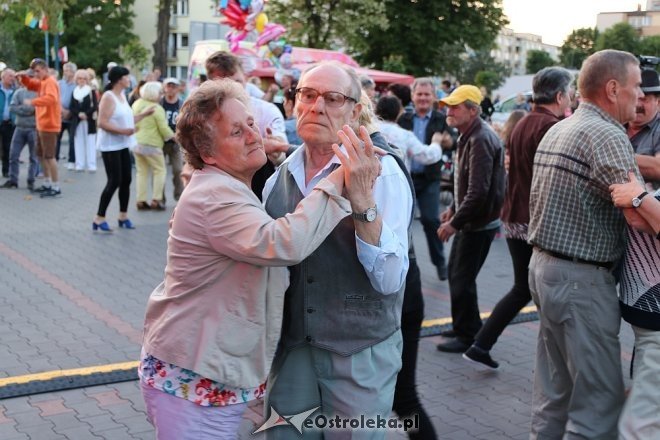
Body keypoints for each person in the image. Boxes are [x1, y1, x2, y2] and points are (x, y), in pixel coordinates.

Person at [139, 78, 380, 440]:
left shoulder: (227, 186)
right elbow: (283, 243)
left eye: (251, 123)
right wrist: (336, 181)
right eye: (236, 132)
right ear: (208, 153)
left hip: (204, 374)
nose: (254, 135)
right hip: (192, 378)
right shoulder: (215, 196)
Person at [263, 61, 413, 439]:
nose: (317, 107)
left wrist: (362, 202)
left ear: (354, 111)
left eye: (333, 98)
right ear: (294, 103)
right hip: (293, 346)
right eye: (308, 95)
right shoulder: (281, 174)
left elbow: (391, 278)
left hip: (359, 350)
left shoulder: (382, 171)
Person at [527, 49, 643, 439]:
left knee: (553, 397)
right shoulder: (608, 134)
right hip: (581, 283)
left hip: (545, 271)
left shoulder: (562, 126)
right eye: (637, 87)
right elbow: (638, 215)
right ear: (613, 89)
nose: (640, 97)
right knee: (596, 410)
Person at [463, 67, 573, 369]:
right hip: (535, 220)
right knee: (542, 291)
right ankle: (555, 359)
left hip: (514, 216)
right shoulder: (551, 126)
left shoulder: (524, 122)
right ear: (561, 95)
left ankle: (482, 344)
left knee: (525, 288)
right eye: (570, 92)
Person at [373, 94, 438, 439]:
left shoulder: (377, 158)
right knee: (400, 396)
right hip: (403, 288)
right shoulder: (393, 144)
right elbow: (429, 155)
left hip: (396, 293)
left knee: (399, 396)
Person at [435, 85, 505, 354]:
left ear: (473, 111)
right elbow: (466, 186)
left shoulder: (480, 139)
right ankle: (464, 325)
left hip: (478, 223)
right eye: (448, 106)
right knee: (458, 276)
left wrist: (454, 223)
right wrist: (453, 209)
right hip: (472, 221)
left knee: (462, 278)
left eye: (455, 106)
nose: (448, 112)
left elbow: (477, 192)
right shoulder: (469, 135)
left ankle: (467, 335)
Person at [611, 177, 660, 438]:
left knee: (643, 422)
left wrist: (639, 196)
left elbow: (637, 219)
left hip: (656, 322)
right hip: (648, 317)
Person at [205, 51, 288, 199]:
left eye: (236, 82)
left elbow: (280, 148)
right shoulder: (203, 116)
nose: (231, 91)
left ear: (246, 78)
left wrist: (277, 152)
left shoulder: (267, 111)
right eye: (222, 85)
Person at [398, 77, 456, 281]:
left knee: (431, 220)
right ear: (413, 96)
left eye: (427, 94)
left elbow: (453, 140)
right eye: (419, 94)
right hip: (405, 179)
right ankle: (402, 264)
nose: (423, 98)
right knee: (400, 222)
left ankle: (440, 263)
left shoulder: (440, 118)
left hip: (430, 178)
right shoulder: (403, 118)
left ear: (433, 97)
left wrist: (448, 142)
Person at [94, 66, 154, 232]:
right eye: (127, 77)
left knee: (126, 180)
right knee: (114, 181)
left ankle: (123, 216)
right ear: (120, 79)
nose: (130, 80)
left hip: (122, 144)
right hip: (110, 146)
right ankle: (99, 218)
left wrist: (144, 115)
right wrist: (124, 132)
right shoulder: (108, 97)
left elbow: (127, 119)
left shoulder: (121, 96)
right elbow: (102, 122)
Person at [17, 58, 62, 198]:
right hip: (41, 124)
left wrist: (32, 102)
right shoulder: (42, 81)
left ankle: (56, 186)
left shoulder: (50, 82)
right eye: (34, 71)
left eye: (38, 71)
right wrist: (23, 77)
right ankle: (47, 183)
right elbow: (30, 85)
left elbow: (51, 99)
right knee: (41, 156)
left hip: (49, 125)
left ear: (45, 69)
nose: (35, 74)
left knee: (49, 156)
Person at [133, 81, 174, 211]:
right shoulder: (157, 108)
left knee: (141, 172)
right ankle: (156, 199)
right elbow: (163, 128)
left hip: (137, 143)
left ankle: (141, 200)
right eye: (160, 92)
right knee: (160, 170)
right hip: (152, 144)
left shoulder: (136, 104)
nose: (161, 95)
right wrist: (174, 137)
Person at [1, 74, 37, 190]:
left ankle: (31, 180)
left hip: (33, 128)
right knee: (13, 155)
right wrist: (28, 109)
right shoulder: (18, 92)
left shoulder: (38, 93)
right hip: (19, 127)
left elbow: (37, 109)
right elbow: (12, 108)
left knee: (33, 157)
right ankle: (13, 180)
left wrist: (23, 108)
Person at [627, 68, 660, 188]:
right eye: (634, 97)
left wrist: (615, 154)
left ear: (658, 102)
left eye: (644, 99)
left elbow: (658, 168)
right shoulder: (616, 123)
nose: (637, 104)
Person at [160, 77, 184, 202]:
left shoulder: (181, 104)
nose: (170, 89)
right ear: (164, 88)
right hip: (160, 142)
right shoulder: (160, 103)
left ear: (178, 89)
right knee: (160, 171)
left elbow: (185, 121)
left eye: (173, 86)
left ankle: (179, 196)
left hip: (176, 143)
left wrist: (180, 135)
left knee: (178, 170)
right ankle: (160, 198)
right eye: (168, 86)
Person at [70, 69, 98, 173]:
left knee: (90, 143)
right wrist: (78, 114)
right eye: (79, 78)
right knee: (78, 142)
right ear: (76, 79)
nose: (81, 80)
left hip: (89, 120)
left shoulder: (91, 91)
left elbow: (95, 106)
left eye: (84, 78)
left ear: (87, 80)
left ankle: (91, 165)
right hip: (77, 121)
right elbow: (72, 107)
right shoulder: (74, 91)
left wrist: (86, 114)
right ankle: (79, 164)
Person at [57, 62, 77, 168]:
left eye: (68, 70)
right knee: (57, 138)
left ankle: (72, 160)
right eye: (64, 70)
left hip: (72, 115)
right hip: (59, 114)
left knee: (72, 139)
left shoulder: (76, 85)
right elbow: (56, 98)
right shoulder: (59, 83)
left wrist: (69, 111)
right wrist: (61, 109)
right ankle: (54, 159)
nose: (66, 73)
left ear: (73, 72)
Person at [0, 68, 16, 178]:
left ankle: (6, 170)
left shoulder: (15, 91)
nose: (13, 79)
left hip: (9, 123)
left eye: (14, 76)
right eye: (10, 76)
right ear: (3, 77)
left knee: (8, 147)